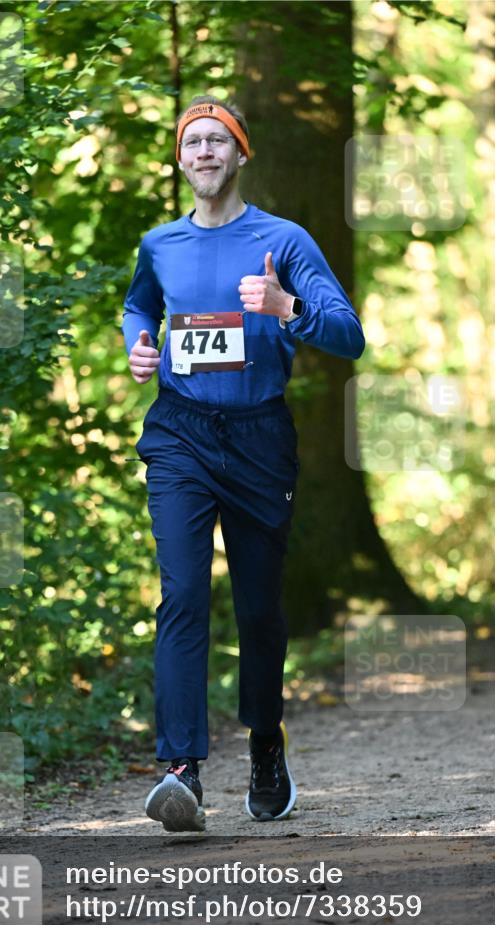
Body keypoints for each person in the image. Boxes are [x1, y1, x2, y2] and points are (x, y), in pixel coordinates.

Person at [122, 94, 365, 833]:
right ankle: (180, 769)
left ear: (239, 154)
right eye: (191, 142)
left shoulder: (283, 239)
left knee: (258, 610)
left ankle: (264, 745)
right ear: (178, 158)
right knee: (183, 594)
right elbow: (139, 307)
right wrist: (136, 344)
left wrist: (287, 307)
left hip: (260, 439)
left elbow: (349, 335)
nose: (203, 152)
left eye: (216, 141)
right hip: (180, 435)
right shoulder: (160, 244)